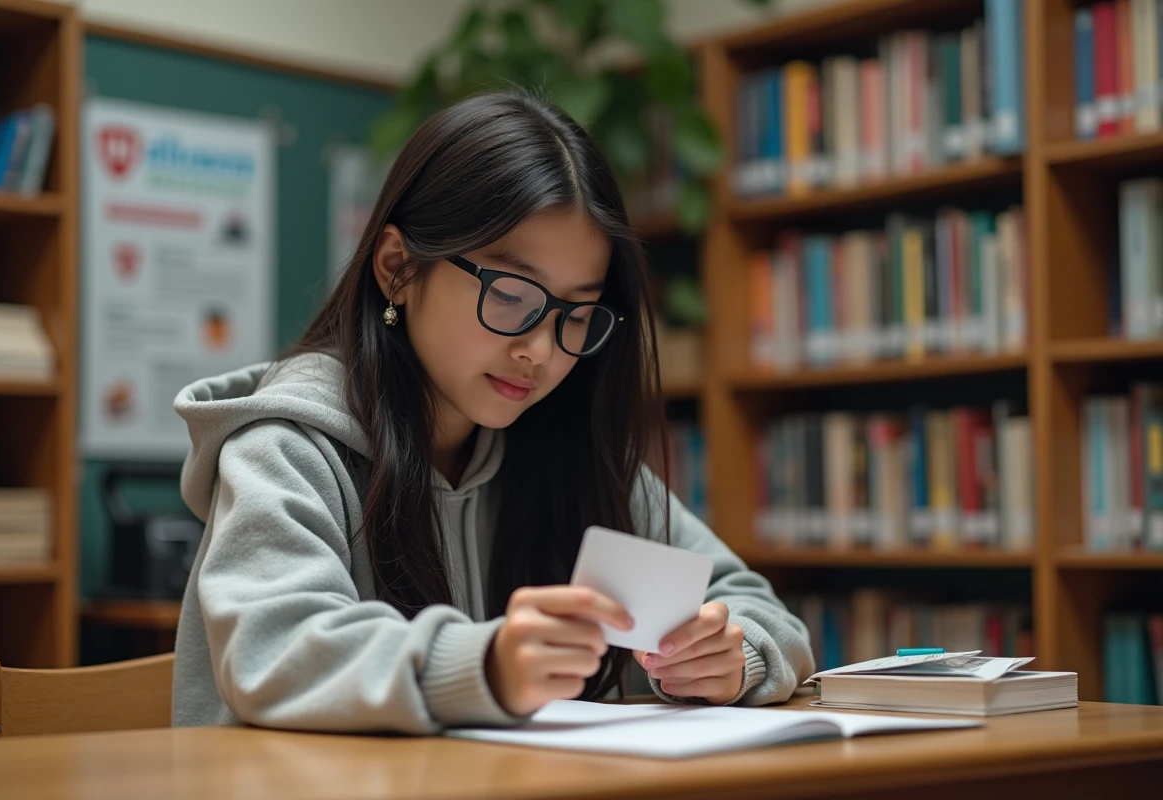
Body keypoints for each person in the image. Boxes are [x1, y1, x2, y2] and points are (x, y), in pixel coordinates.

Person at [170, 90, 814, 733]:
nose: (539, 350)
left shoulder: (560, 449)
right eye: (510, 294)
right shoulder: (288, 447)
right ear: (397, 268)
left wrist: (736, 656)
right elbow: (274, 649)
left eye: (575, 313)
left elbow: (756, 606)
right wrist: (482, 665)